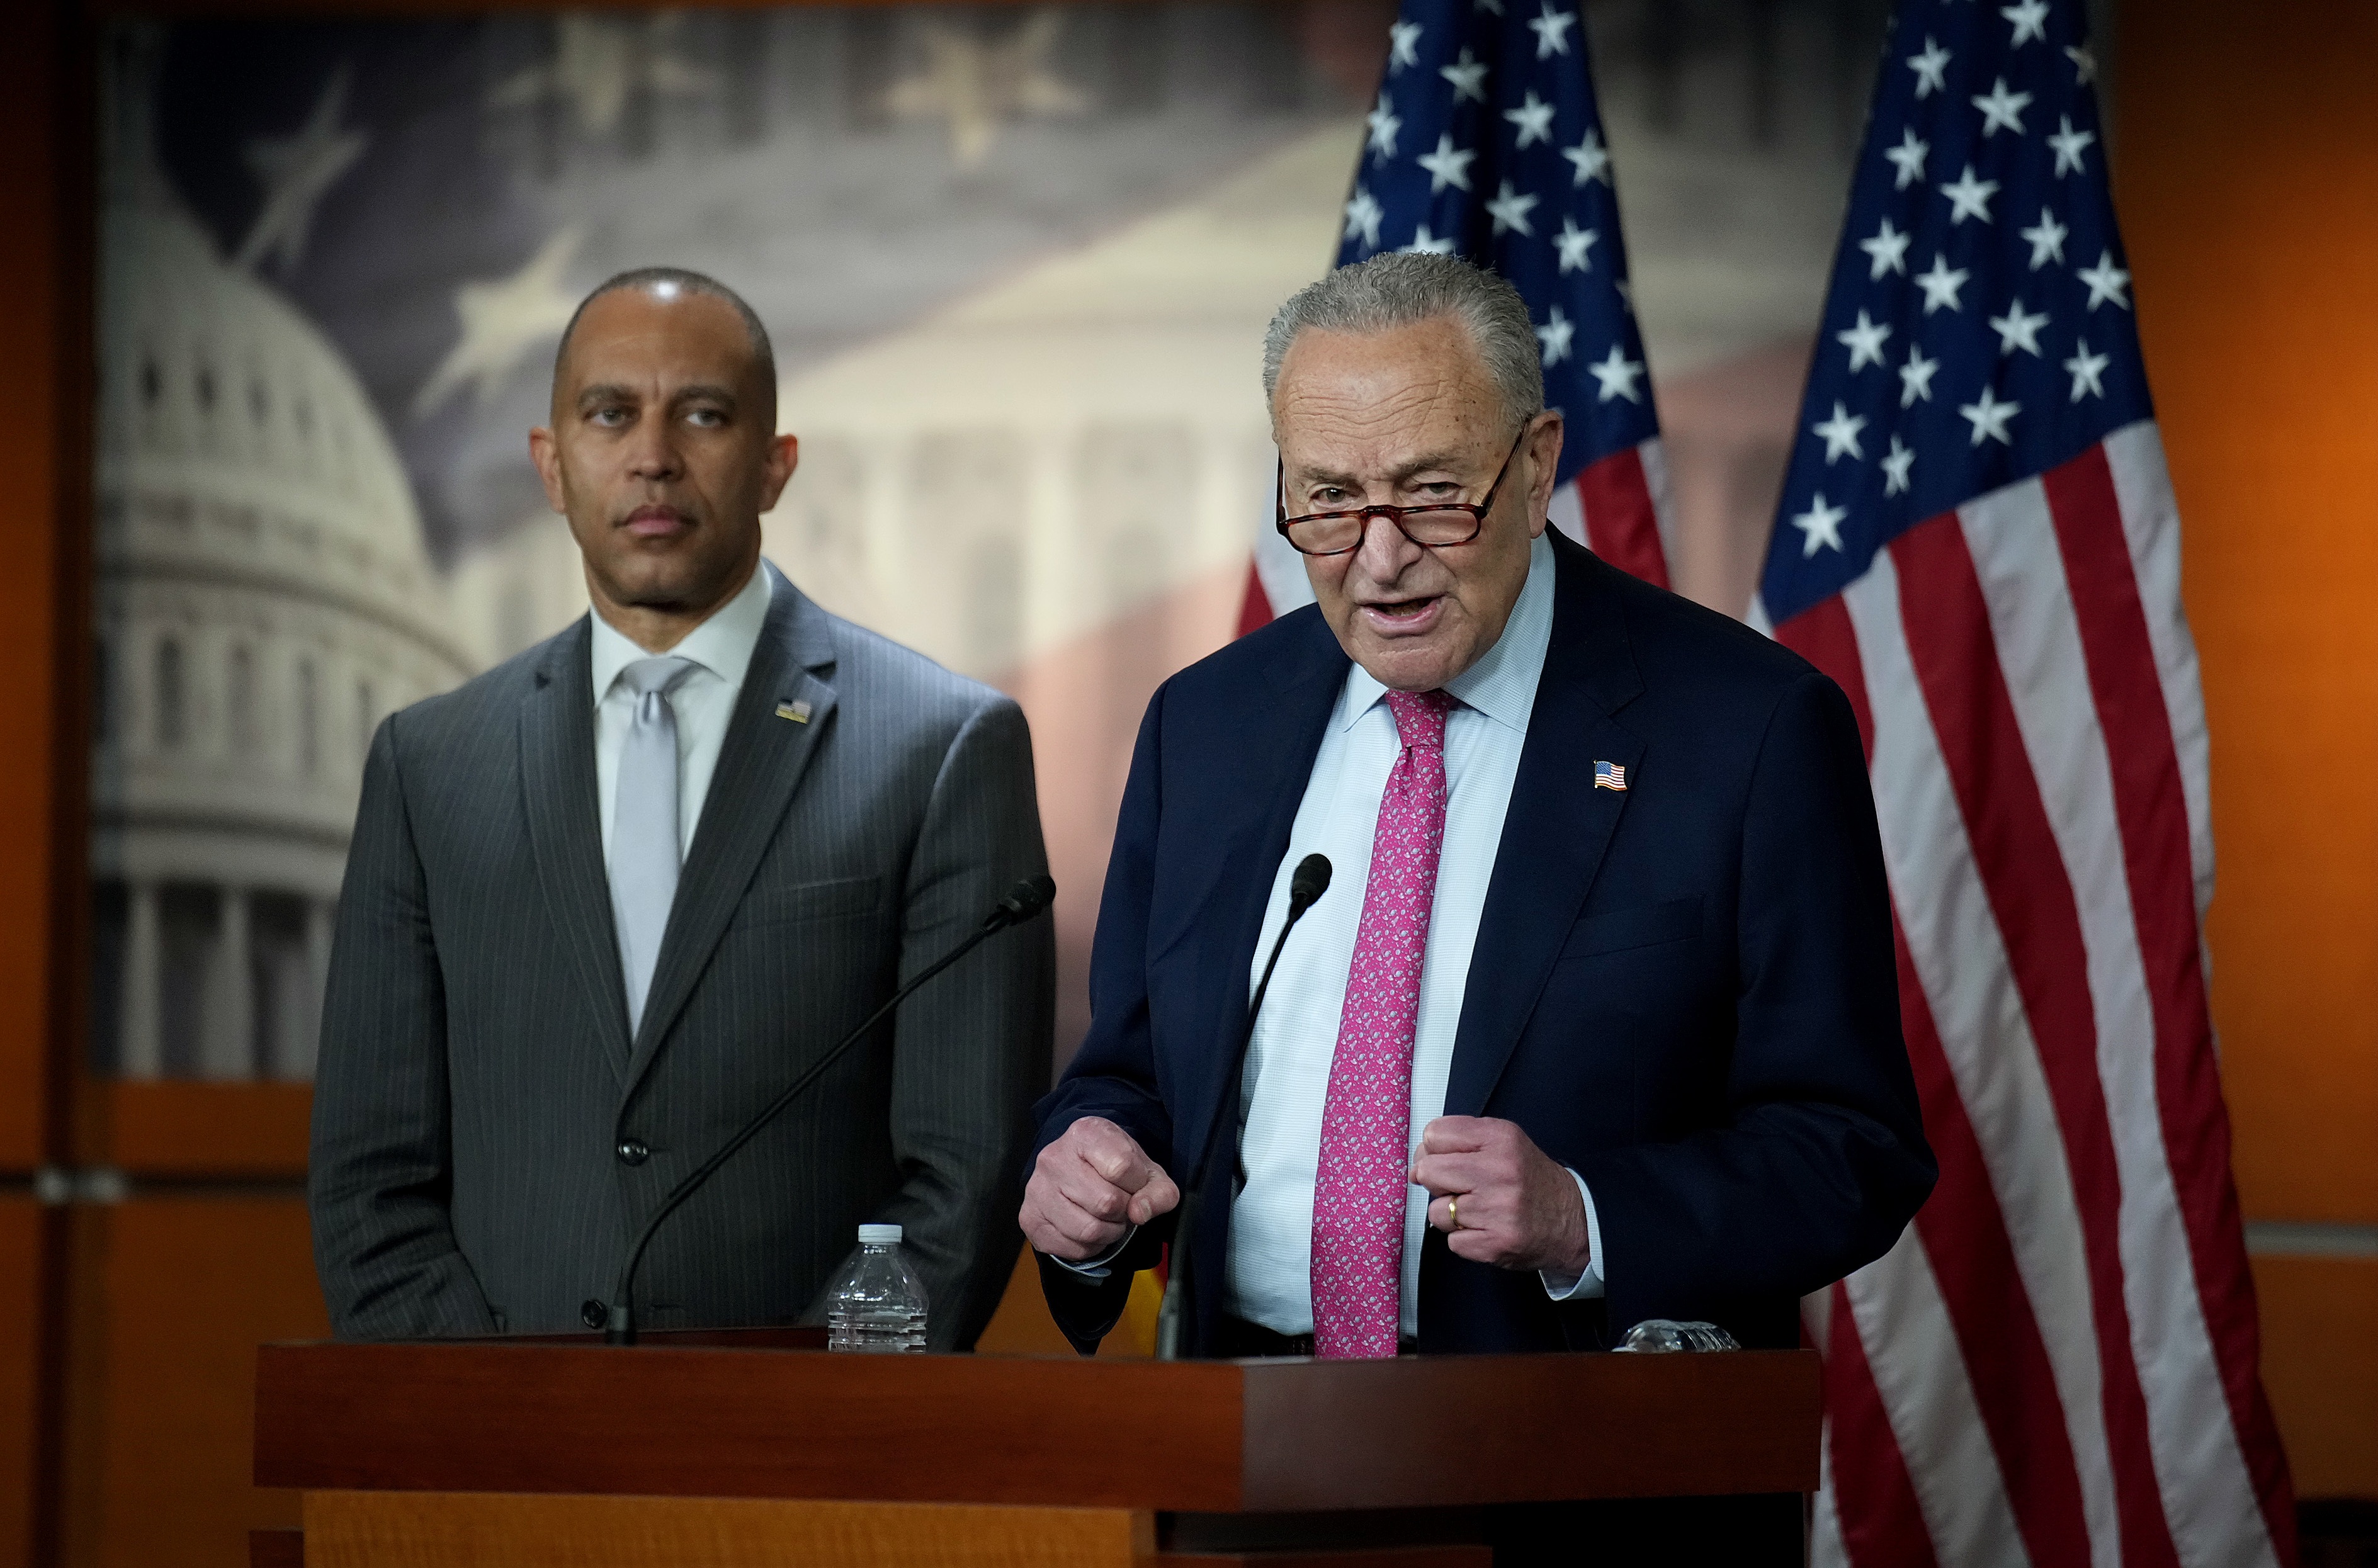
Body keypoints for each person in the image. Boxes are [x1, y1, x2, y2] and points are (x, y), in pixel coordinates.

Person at [1021, 254, 1932, 1554]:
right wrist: (1086, 1175)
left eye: (1432, 495)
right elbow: (1131, 1074)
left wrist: (1587, 1213)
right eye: (1326, 501)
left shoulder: (1744, 730)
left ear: (1537, 457)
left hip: (1582, 1488)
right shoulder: (1204, 727)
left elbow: (1850, 1145)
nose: (1377, 560)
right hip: (1237, 1463)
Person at [311, 268, 1051, 1351]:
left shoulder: (942, 749)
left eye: (701, 414)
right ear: (552, 465)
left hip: (801, 1467)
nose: (652, 454)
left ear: (775, 465)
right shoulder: (429, 766)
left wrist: (792, 1419)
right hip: (488, 1459)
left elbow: (963, 1174)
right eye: (610, 413)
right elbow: (370, 1176)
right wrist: (473, 1413)